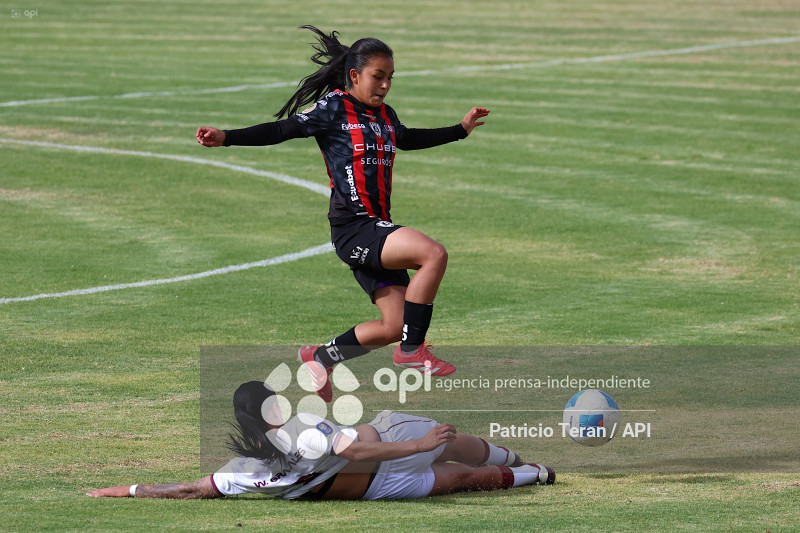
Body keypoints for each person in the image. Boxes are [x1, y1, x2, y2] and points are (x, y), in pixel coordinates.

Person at [195, 26, 491, 401]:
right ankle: (412, 350)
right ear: (354, 75)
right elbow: (283, 129)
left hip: (377, 228)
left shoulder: (385, 115)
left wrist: (460, 130)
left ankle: (320, 357)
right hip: (355, 228)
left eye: (390, 77)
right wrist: (227, 137)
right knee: (433, 254)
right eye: (378, 76)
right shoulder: (333, 107)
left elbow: (408, 138)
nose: (385, 85)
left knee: (393, 325)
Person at [87, 381, 554, 500]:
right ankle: (530, 470)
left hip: (382, 460)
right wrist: (418, 446)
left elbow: (193, 488)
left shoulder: (246, 469)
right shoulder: (297, 430)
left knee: (454, 457)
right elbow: (356, 451)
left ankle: (519, 461)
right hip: (383, 468)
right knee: (454, 467)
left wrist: (128, 489)